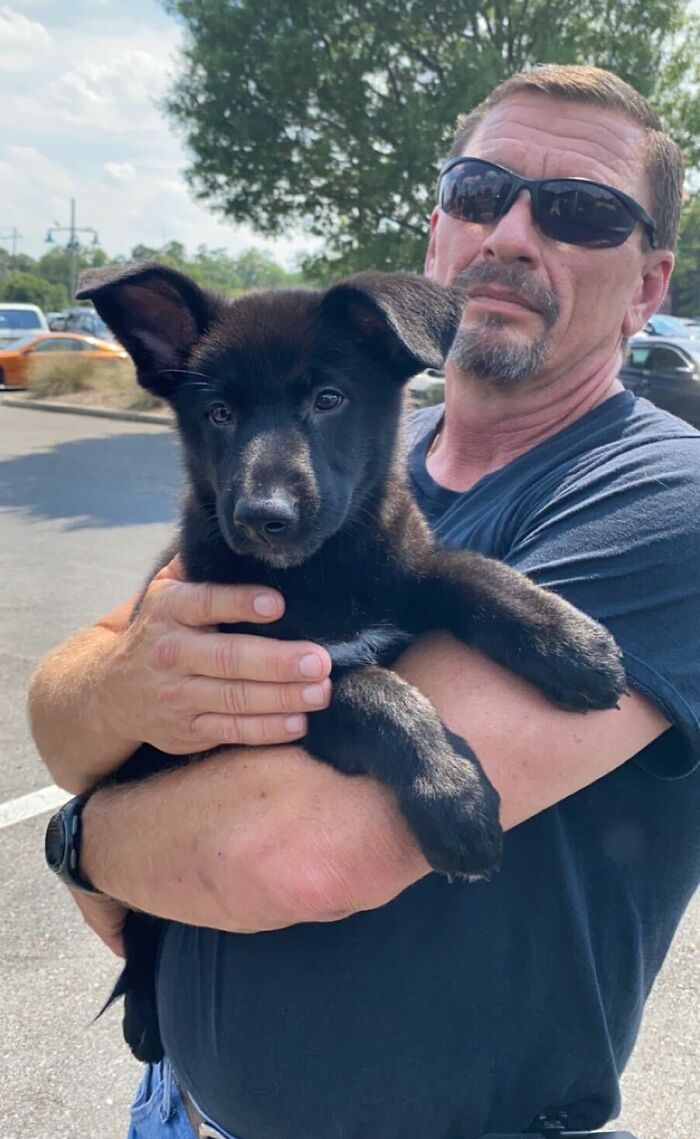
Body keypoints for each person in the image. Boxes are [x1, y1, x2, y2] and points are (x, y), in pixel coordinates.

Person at [30, 64, 700, 1139]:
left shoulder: (664, 499)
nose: (513, 232)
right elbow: (73, 712)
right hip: (177, 1108)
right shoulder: (371, 474)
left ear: (648, 285)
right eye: (481, 192)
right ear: (439, 230)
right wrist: (112, 711)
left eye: (580, 211)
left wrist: (83, 840)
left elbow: (294, 850)